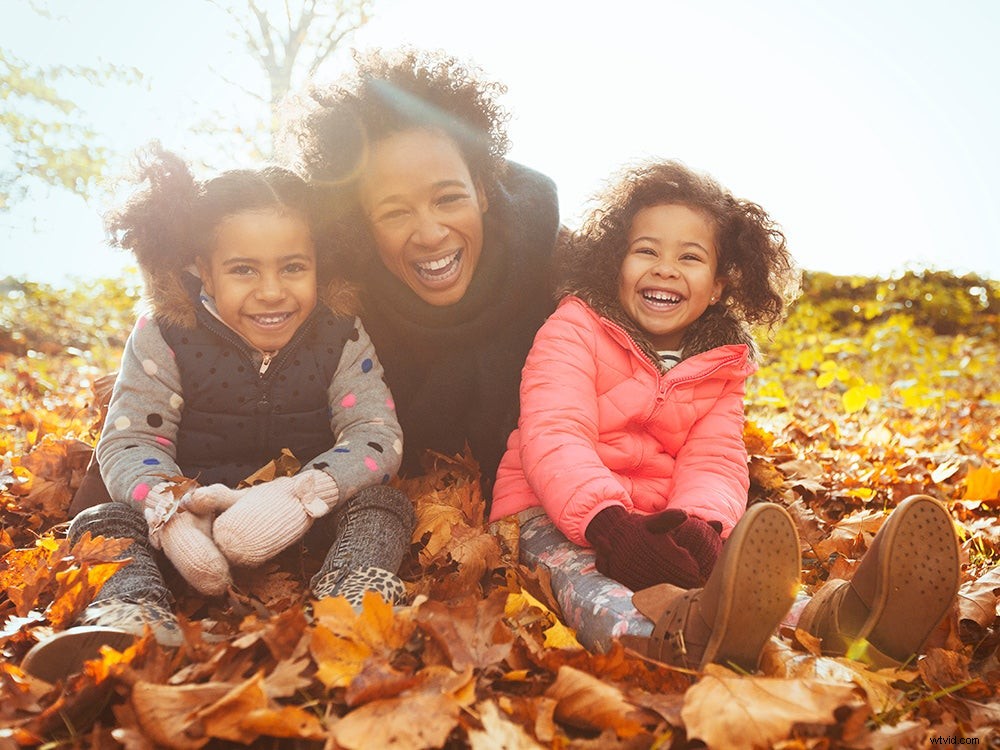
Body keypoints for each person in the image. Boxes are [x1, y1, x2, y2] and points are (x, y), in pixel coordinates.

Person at [489, 160, 960, 672]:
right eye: (645, 250)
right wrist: (607, 523)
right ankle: (678, 638)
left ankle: (845, 620)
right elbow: (553, 434)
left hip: (660, 518)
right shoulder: (574, 327)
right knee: (590, 586)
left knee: (740, 581)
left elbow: (715, 457)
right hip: (550, 513)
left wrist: (702, 525)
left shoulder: (724, 362)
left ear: (717, 286)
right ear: (614, 264)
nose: (665, 267)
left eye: (689, 257)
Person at [22, 145, 415, 677]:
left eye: (293, 267)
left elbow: (373, 432)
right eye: (244, 270)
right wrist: (170, 514)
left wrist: (301, 494)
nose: (272, 292)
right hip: (195, 515)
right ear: (203, 271)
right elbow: (131, 439)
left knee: (383, 507)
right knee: (101, 522)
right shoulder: (166, 334)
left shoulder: (339, 332)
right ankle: (133, 611)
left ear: (319, 262)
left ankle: (352, 596)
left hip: (306, 520)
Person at [292, 48, 560, 501]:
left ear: (482, 192)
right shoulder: (340, 321)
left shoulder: (562, 275)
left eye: (448, 199)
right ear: (362, 224)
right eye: (395, 212)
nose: (431, 234)